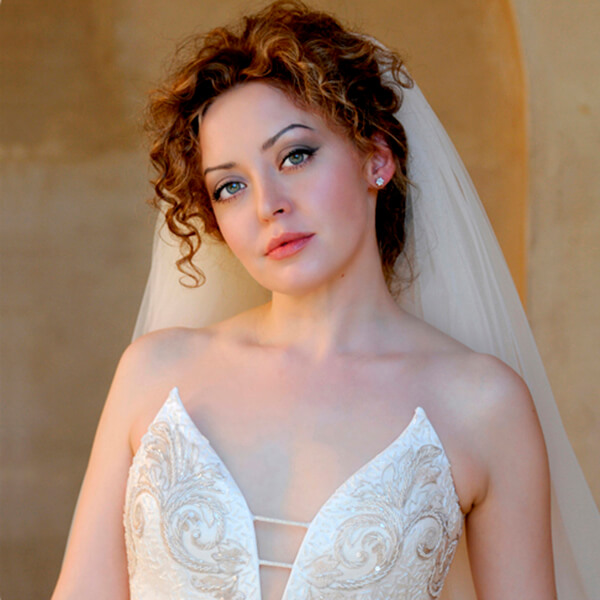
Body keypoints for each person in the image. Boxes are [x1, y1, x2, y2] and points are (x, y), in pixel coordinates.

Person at [52, 2, 599, 599]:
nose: (268, 204)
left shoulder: (483, 405)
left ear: (377, 158)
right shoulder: (154, 375)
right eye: (230, 186)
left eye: (295, 155)